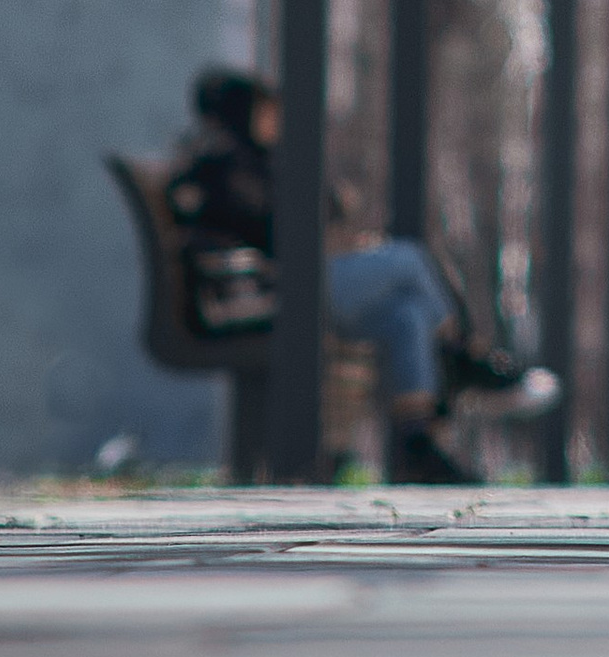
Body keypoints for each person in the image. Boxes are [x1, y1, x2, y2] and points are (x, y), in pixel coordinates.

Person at [164, 70, 554, 485]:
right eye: (266, 111)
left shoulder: (246, 162)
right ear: (241, 112)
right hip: (270, 296)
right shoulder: (225, 165)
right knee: (408, 259)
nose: (277, 120)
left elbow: (312, 218)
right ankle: (463, 355)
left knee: (406, 313)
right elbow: (286, 228)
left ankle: (418, 444)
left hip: (282, 290)